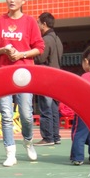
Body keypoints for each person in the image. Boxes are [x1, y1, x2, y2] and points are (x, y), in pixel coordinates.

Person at [0, 0, 44, 167]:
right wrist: (3, 49)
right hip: (2, 74)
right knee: (6, 114)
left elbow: (39, 48)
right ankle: (10, 152)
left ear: (23, 0)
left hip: (24, 74)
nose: (12, 0)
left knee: (26, 114)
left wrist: (22, 54)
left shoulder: (30, 22)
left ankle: (28, 141)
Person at [35, 12, 64, 146]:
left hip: (46, 78)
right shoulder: (57, 39)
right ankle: (55, 136)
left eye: (38, 22)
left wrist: (31, 53)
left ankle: (47, 137)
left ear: (44, 24)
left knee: (45, 108)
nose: (37, 25)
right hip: (57, 77)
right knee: (53, 108)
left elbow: (40, 58)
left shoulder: (46, 40)